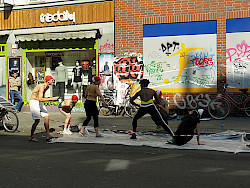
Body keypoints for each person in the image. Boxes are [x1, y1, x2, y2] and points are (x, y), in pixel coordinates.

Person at [29, 75, 59, 142]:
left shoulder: (47, 87)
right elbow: (40, 98)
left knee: (47, 117)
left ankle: (48, 134)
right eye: (52, 80)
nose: (53, 81)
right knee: (37, 120)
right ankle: (31, 136)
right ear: (48, 81)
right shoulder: (42, 86)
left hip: (39, 102)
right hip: (34, 102)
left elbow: (41, 98)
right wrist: (52, 99)